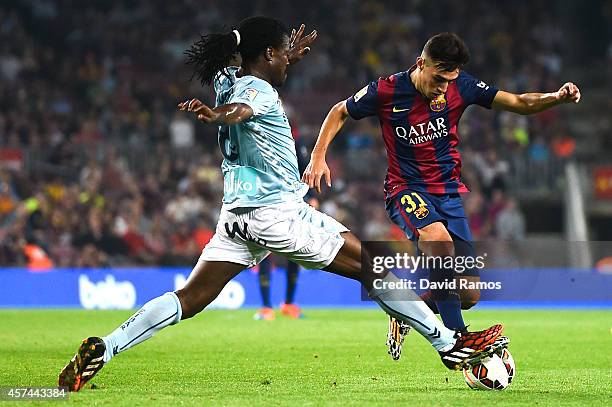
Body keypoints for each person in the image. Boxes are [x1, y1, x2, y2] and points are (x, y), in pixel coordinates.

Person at [58, 19, 504, 392]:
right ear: (265, 55)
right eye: (280, 54)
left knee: (190, 298)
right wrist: (219, 115)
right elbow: (243, 109)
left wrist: (281, 59)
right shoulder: (257, 93)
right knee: (377, 268)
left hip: (235, 217)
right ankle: (450, 344)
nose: (286, 61)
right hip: (280, 215)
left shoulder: (226, 78)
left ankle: (108, 344)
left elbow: (243, 79)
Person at [303, 32, 581, 361]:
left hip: (449, 194)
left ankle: (404, 310)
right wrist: (318, 157)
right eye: (438, 78)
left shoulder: (462, 86)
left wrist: (556, 97)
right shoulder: (387, 89)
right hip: (405, 189)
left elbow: (519, 103)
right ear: (421, 64)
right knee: (438, 241)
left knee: (469, 293)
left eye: (449, 80)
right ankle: (458, 341)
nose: (443, 87)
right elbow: (339, 112)